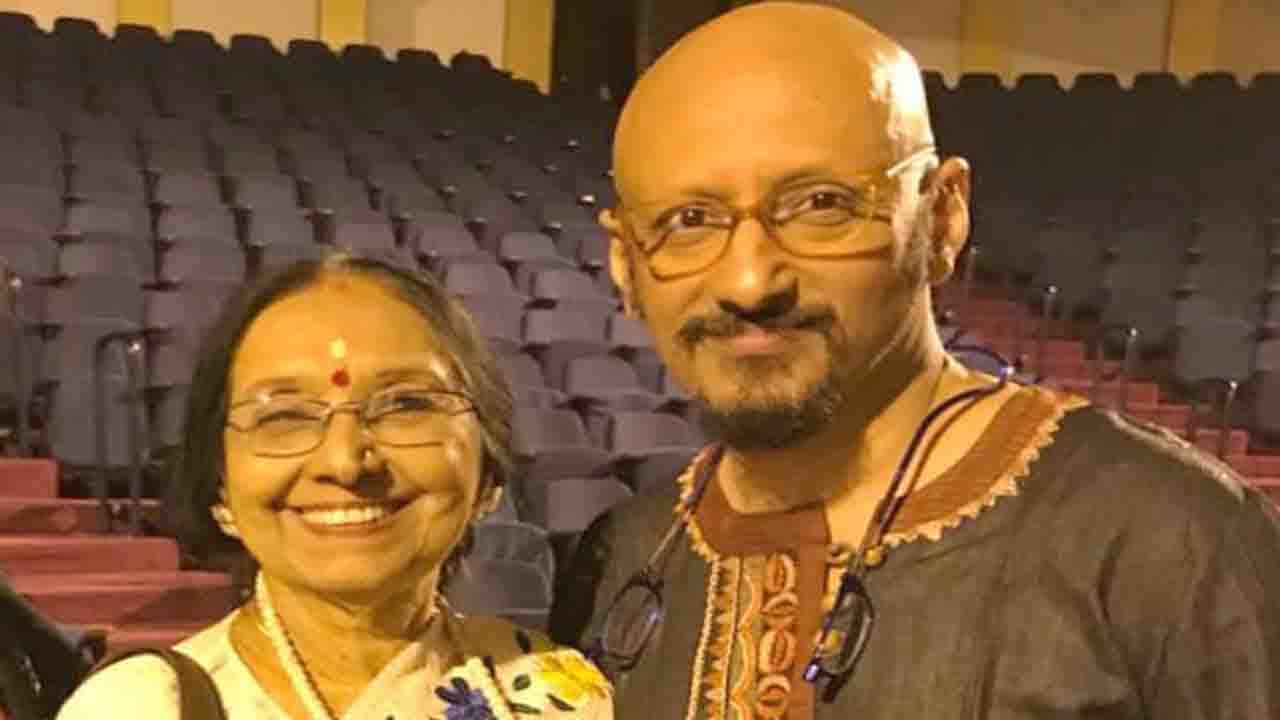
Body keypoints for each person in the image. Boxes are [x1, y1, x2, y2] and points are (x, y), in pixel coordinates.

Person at [549, 3, 1280, 719]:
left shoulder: (1170, 541)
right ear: (624, 265)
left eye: (820, 204)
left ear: (942, 217)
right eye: (687, 221)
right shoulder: (618, 560)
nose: (749, 282)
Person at [59, 254, 612, 719]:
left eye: (406, 405)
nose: (345, 462)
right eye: (284, 416)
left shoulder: (561, 695)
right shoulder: (139, 708)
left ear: (487, 470)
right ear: (220, 487)